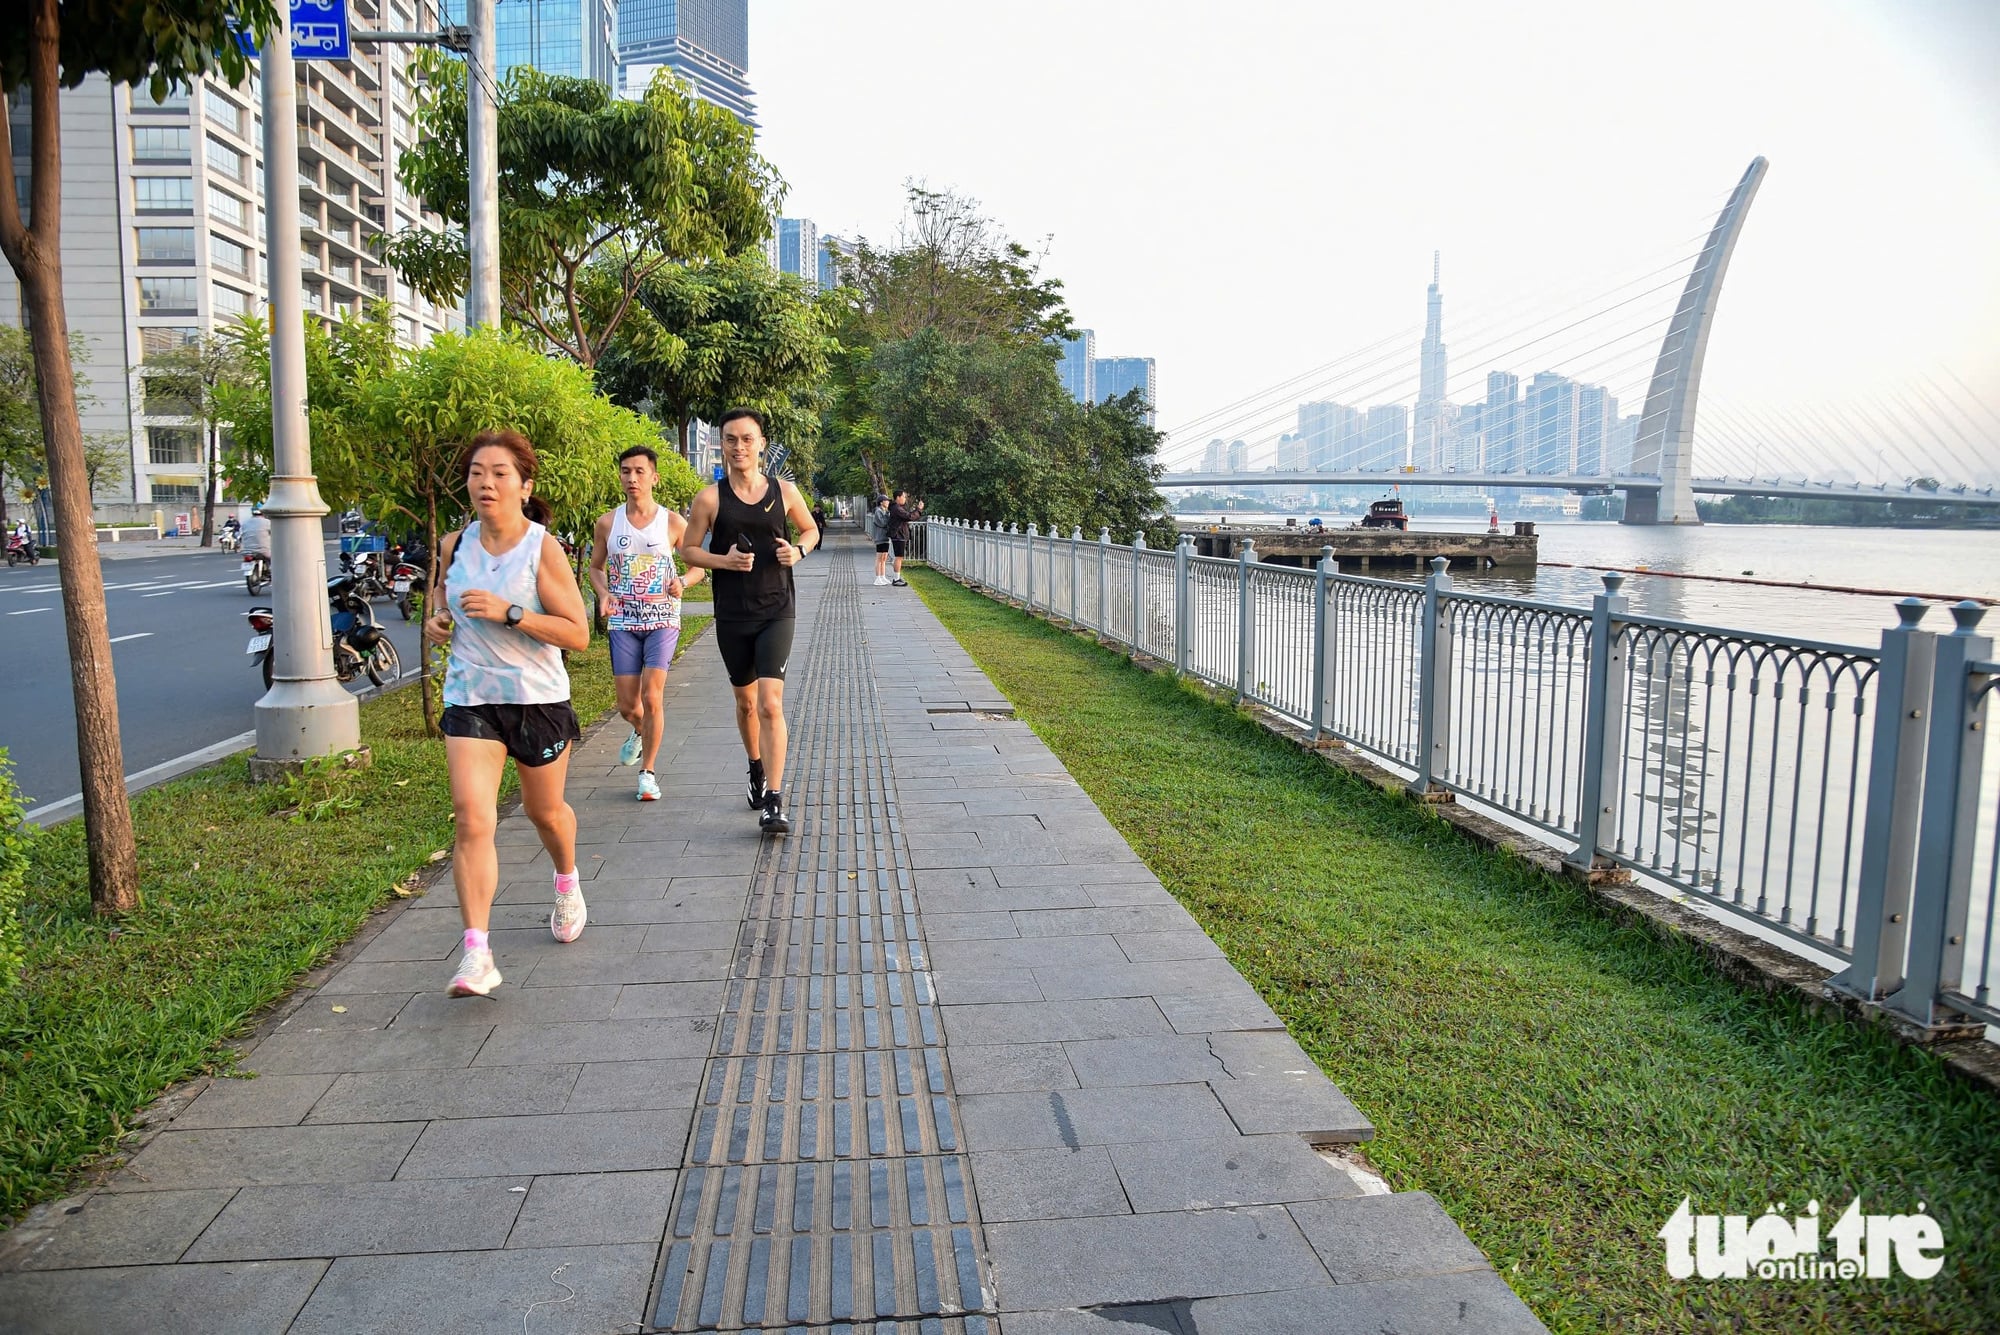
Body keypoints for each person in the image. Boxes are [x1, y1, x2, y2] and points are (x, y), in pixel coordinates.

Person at [423, 430, 593, 997]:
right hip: (471, 698)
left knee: (547, 814)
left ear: (525, 485)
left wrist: (510, 611)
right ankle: (477, 953)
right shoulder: (453, 545)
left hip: (537, 699)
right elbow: (441, 604)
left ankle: (566, 880)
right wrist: (438, 621)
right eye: (476, 472)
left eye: (499, 472)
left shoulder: (541, 547)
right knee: (473, 818)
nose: (485, 482)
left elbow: (577, 633)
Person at [678, 408, 820, 835]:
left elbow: (811, 531)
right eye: (730, 439)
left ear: (761, 443)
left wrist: (797, 552)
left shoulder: (785, 491)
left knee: (770, 702)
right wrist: (724, 560)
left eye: (747, 439)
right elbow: (688, 550)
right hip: (732, 614)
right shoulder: (710, 498)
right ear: (722, 445)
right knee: (745, 702)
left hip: (777, 608)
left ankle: (774, 798)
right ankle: (756, 767)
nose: (739, 447)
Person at [588, 444, 703, 801]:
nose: (632, 478)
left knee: (653, 697)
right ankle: (640, 731)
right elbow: (595, 567)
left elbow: (697, 565)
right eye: (626, 471)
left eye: (639, 471)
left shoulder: (672, 522)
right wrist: (604, 594)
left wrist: (682, 583)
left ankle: (648, 774)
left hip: (662, 619)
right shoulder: (608, 523)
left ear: (654, 477)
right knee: (628, 706)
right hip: (623, 621)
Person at [885, 490, 914, 586]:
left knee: (899, 557)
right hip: (899, 535)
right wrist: (919, 509)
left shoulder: (896, 507)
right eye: (903, 497)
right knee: (899, 557)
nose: (905, 499)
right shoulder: (897, 508)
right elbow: (909, 516)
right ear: (898, 497)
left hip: (899, 535)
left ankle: (897, 577)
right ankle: (896, 579)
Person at [867, 495, 893, 586]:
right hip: (880, 537)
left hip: (886, 537)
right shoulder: (878, 511)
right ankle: (878, 577)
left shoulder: (886, 511)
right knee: (879, 558)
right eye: (886, 501)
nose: (888, 502)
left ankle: (883, 576)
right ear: (881, 502)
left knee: (884, 558)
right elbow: (882, 523)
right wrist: (888, 517)